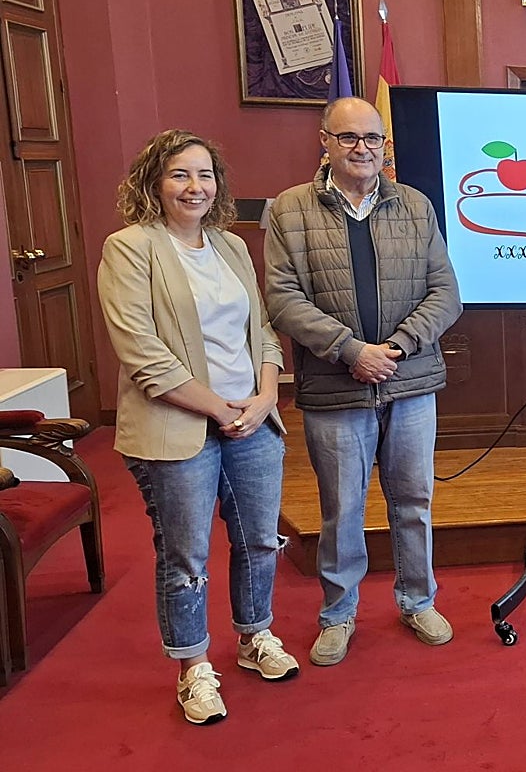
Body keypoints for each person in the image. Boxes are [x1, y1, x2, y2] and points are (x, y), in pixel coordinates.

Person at [97, 130, 299, 726]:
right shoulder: (130, 248)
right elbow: (142, 352)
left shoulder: (232, 247)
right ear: (154, 183)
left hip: (251, 419)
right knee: (186, 555)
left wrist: (264, 396)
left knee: (261, 540)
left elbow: (261, 329)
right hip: (177, 425)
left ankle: (254, 636)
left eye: (205, 174)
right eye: (180, 175)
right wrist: (220, 408)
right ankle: (193, 668)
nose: (195, 187)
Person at [265, 96, 463, 667]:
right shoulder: (289, 211)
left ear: (385, 146)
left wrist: (397, 347)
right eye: (349, 138)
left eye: (373, 139)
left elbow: (445, 292)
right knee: (341, 508)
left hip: (410, 380)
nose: (363, 149)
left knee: (414, 501)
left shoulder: (416, 206)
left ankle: (417, 600)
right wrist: (351, 351)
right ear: (324, 142)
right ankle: (338, 614)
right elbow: (282, 299)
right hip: (335, 388)